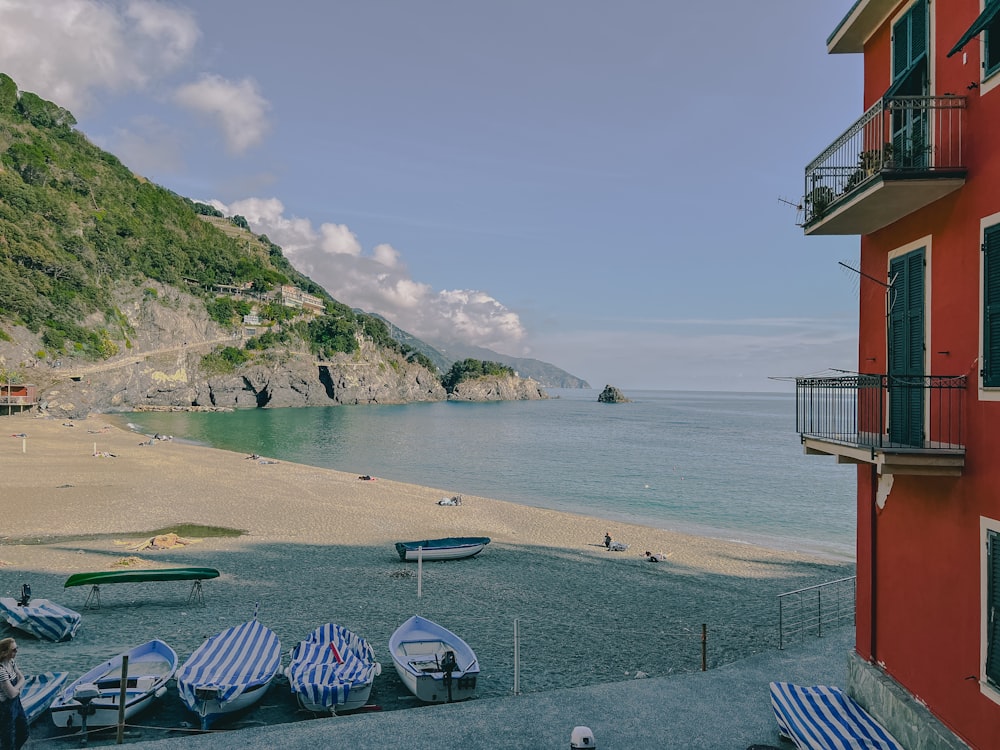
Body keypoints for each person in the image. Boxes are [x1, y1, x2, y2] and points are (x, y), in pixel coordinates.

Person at [0, 637, 28, 750]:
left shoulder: (11, 662)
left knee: (23, 733)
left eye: (17, 649)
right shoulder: (1, 671)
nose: (16, 652)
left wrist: (15, 689)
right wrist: (17, 690)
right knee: (8, 742)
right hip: (5, 710)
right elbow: (11, 694)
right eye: (13, 650)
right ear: (4, 652)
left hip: (16, 705)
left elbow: (22, 678)